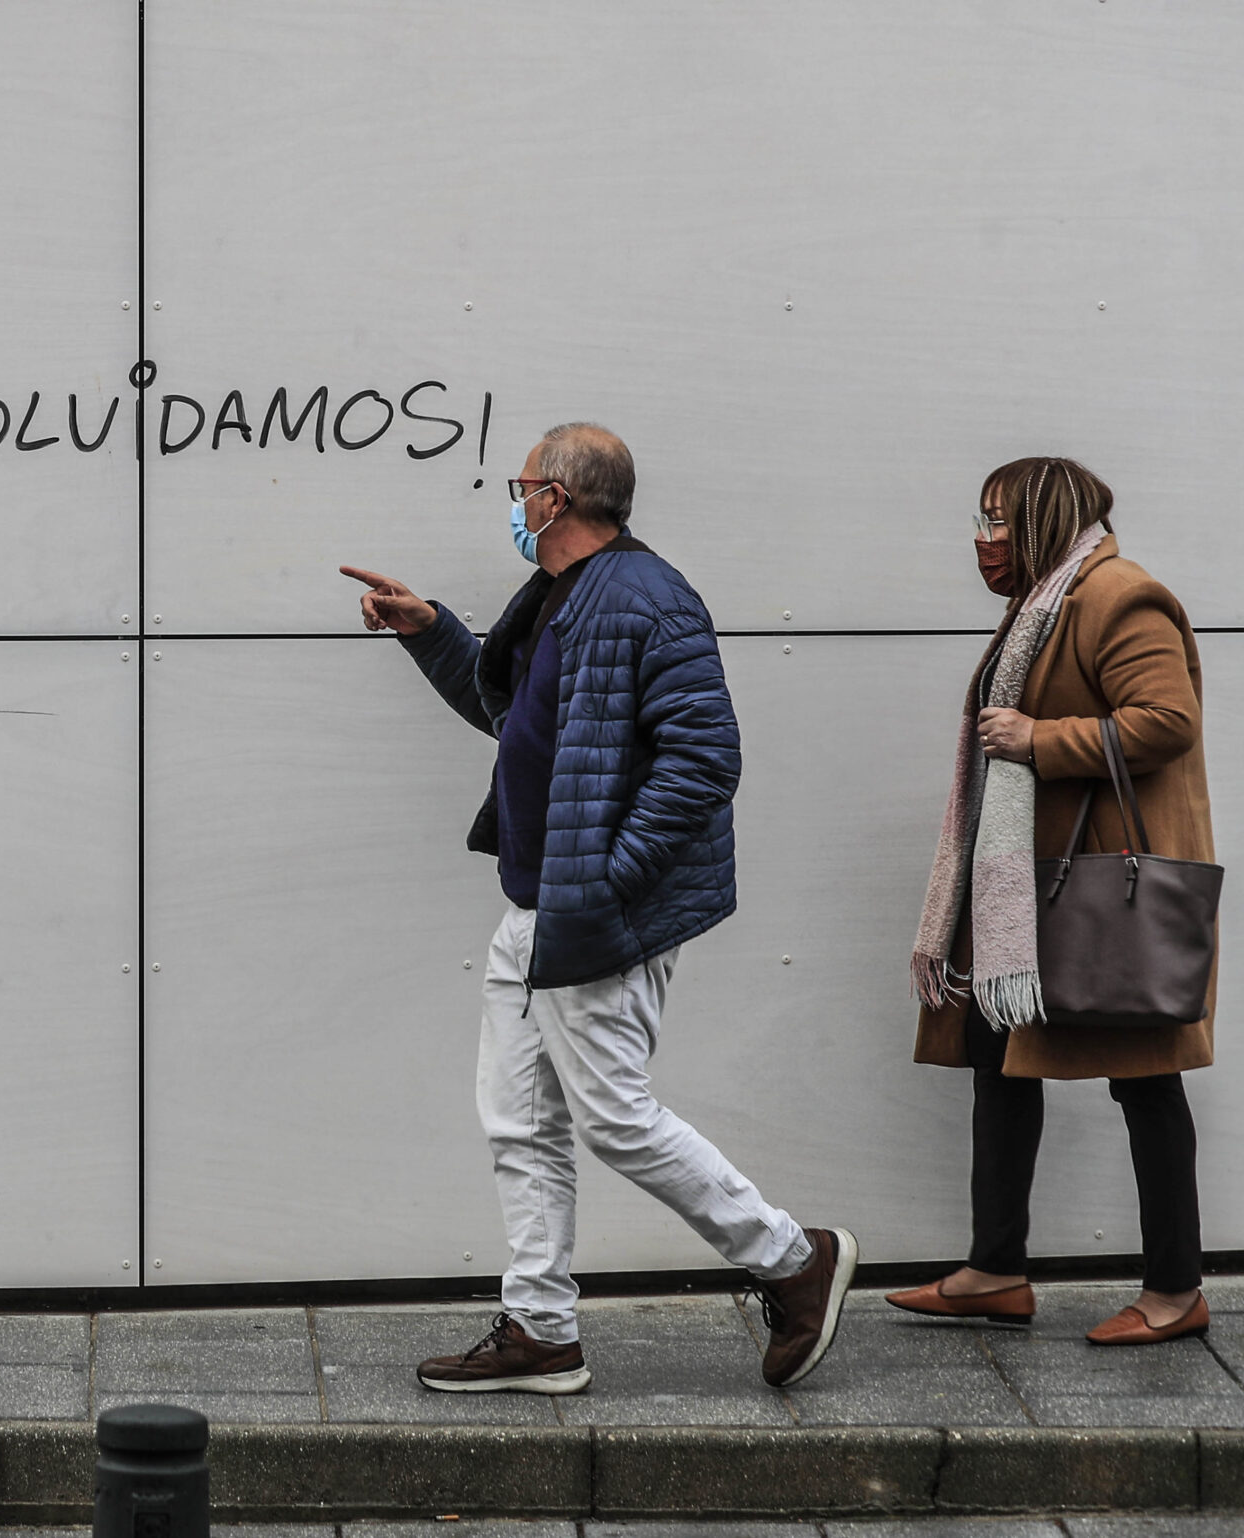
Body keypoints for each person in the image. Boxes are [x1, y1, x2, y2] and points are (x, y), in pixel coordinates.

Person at [341, 422, 857, 1394]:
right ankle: (542, 1329)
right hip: (536, 906)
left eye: (521, 487)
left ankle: (794, 1259)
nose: (513, 502)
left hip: (590, 912)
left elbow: (704, 757)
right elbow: (517, 718)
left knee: (613, 1116)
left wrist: (611, 875)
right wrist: (431, 631)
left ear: (558, 499)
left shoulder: (648, 598)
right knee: (519, 1121)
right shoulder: (562, 595)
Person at [890, 457, 1216, 1345]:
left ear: (1043, 519)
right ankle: (995, 1270)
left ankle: (1177, 1289)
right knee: (996, 1054)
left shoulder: (1118, 596)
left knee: (1144, 1078)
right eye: (982, 521)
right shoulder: (1044, 602)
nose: (984, 539)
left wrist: (1040, 738)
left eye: (997, 521)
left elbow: (1168, 720)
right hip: (1025, 887)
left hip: (1105, 890)